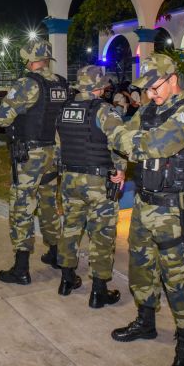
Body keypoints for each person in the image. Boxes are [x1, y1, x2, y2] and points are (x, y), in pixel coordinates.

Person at [108, 54, 184, 366]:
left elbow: (151, 145)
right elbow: (128, 138)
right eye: (147, 90)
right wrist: (121, 165)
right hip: (143, 205)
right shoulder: (151, 110)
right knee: (140, 268)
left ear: (172, 78)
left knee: (177, 280)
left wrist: (117, 134)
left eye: (154, 88)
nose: (150, 96)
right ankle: (146, 321)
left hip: (171, 210)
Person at [0, 39, 69, 285]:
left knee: (22, 206)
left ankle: (21, 268)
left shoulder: (27, 83)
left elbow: (2, 117)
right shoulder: (60, 83)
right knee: (48, 202)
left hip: (30, 156)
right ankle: (56, 253)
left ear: (29, 59)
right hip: (54, 153)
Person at [55, 65, 127, 306]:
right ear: (99, 87)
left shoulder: (64, 110)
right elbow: (120, 143)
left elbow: (58, 147)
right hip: (97, 182)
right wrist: (120, 170)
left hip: (69, 179)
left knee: (71, 228)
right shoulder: (105, 111)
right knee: (102, 233)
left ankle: (66, 280)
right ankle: (98, 291)